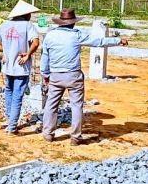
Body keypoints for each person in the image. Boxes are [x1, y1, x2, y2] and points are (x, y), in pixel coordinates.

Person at [41, 8, 128, 145]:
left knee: (51, 105)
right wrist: (118, 41)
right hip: (73, 75)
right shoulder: (77, 35)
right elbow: (99, 41)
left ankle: (48, 134)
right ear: (73, 22)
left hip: (55, 75)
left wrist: (45, 74)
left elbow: (45, 57)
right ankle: (75, 137)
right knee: (76, 106)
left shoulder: (50, 36)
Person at [0, 0, 41, 134]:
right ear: (25, 14)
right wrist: (28, 54)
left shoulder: (5, 24)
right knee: (17, 95)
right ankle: (12, 127)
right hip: (21, 66)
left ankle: (9, 120)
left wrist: (3, 49)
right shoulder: (28, 25)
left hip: (7, 66)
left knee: (9, 92)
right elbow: (35, 42)